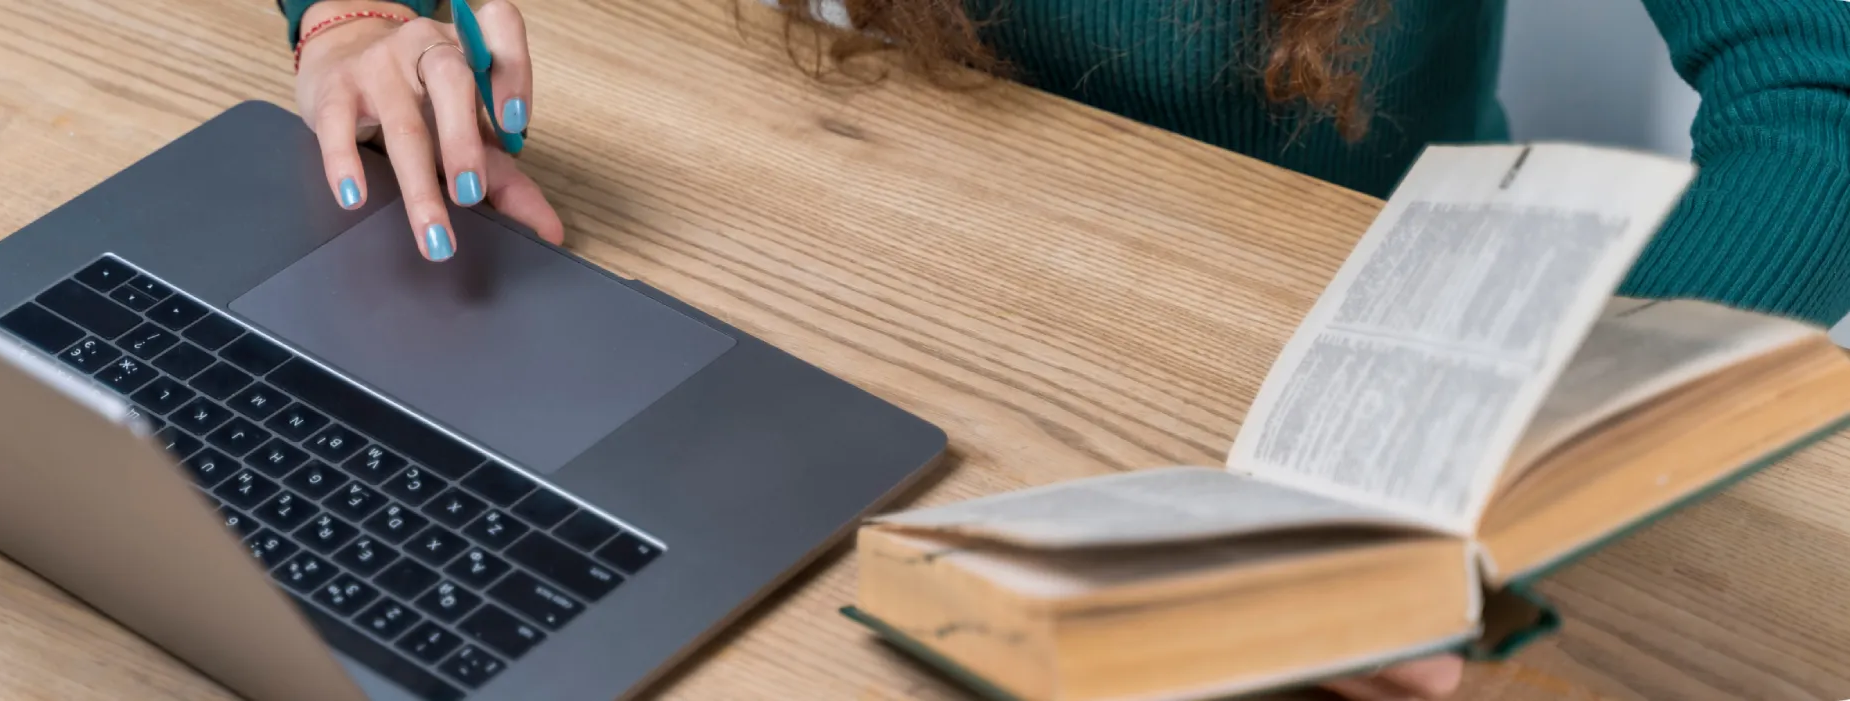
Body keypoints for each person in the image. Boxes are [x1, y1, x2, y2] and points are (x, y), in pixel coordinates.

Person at [277, 0, 1850, 697]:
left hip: (1334, 376)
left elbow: (1821, 85)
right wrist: (359, 14)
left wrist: (1525, 440)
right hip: (893, 287)